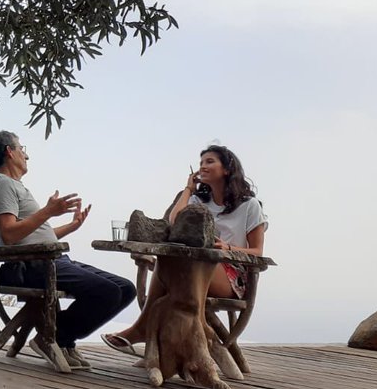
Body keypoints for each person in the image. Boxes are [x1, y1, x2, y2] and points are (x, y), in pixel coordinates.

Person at [0, 130, 137, 370]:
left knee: (126, 289)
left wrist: (72, 226)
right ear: (9, 152)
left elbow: (37, 235)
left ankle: (60, 338)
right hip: (31, 266)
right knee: (107, 292)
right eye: (22, 148)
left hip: (50, 259)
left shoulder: (15, 186)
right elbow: (10, 234)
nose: (26, 155)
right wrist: (47, 211)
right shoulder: (4, 185)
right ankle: (52, 338)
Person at [101, 144, 268, 356]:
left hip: (231, 274)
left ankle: (142, 329)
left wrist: (226, 247)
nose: (202, 167)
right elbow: (174, 221)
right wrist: (189, 189)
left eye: (209, 161)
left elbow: (257, 251)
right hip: (191, 268)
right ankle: (149, 333)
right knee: (168, 258)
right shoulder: (199, 201)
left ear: (227, 169)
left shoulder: (249, 205)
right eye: (200, 163)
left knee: (184, 264)